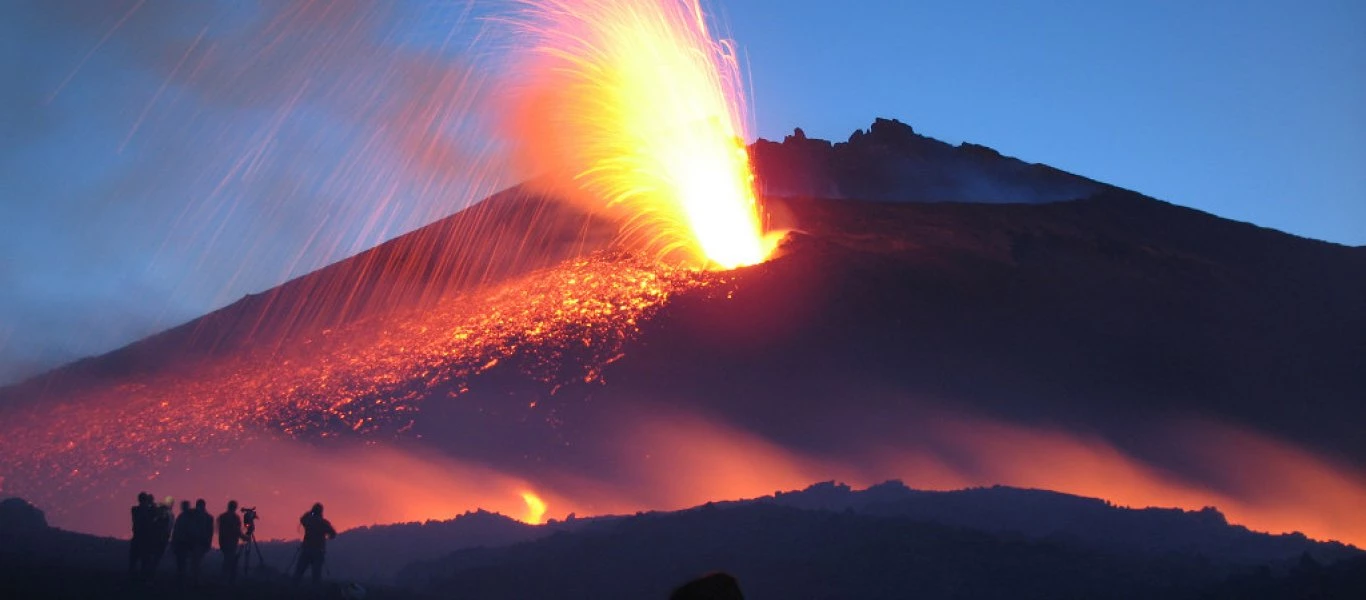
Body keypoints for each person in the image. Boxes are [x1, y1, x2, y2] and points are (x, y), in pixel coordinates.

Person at [293, 502, 337, 585]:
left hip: (307, 549)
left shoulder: (309, 521)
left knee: (299, 572)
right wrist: (325, 537)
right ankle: (315, 593)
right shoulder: (324, 523)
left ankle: (292, 590)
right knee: (316, 576)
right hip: (318, 551)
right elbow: (333, 534)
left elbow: (302, 519)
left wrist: (310, 512)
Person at [128, 492, 157, 580]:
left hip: (137, 538)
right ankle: (142, 580)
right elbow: (155, 514)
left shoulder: (135, 509)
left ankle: (132, 579)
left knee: (134, 561)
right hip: (145, 539)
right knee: (144, 562)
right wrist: (151, 503)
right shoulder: (148, 510)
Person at [217, 500, 244, 583]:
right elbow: (236, 531)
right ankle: (227, 579)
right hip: (230, 542)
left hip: (224, 542)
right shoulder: (235, 518)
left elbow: (220, 530)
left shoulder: (222, 517)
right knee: (229, 560)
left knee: (228, 559)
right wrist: (244, 537)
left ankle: (225, 578)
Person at [170, 500, 195, 586]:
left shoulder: (184, 517)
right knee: (182, 561)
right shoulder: (187, 516)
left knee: (182, 561)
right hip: (183, 542)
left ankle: (181, 577)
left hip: (184, 542)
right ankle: (182, 577)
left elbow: (176, 530)